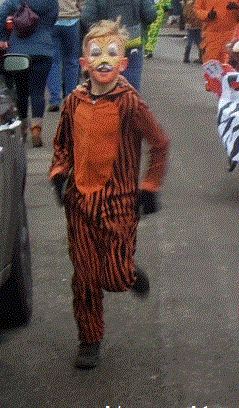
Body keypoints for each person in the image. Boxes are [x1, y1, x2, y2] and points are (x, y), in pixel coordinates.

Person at [49, 20, 170, 370]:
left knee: (113, 277)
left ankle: (129, 275)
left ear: (123, 64)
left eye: (112, 54)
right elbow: (62, 145)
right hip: (80, 204)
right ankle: (89, 339)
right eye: (96, 54)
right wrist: (59, 174)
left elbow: (159, 143)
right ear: (84, 62)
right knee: (85, 277)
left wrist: (150, 186)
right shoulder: (74, 101)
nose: (104, 61)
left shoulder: (130, 102)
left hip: (118, 204)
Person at [0, 0, 60, 147]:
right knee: (38, 91)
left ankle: (22, 128)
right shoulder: (53, 0)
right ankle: (36, 128)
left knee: (21, 91)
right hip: (43, 51)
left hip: (18, 51)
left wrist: (1, 37)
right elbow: (53, 21)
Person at [82, 0, 155, 93]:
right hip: (133, 41)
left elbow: (86, 18)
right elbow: (151, 16)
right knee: (131, 88)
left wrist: (100, 31)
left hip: (105, 44)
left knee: (104, 85)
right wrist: (140, 26)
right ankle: (129, 110)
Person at [41, 0, 88, 112]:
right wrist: (79, 9)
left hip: (50, 22)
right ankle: (71, 97)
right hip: (71, 21)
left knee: (53, 62)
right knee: (72, 60)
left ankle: (54, 99)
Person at [182, 0, 203, 64]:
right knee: (199, 42)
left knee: (190, 41)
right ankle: (201, 57)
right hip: (198, 25)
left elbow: (185, 14)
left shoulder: (188, 4)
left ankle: (186, 57)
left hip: (190, 25)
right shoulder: (199, 4)